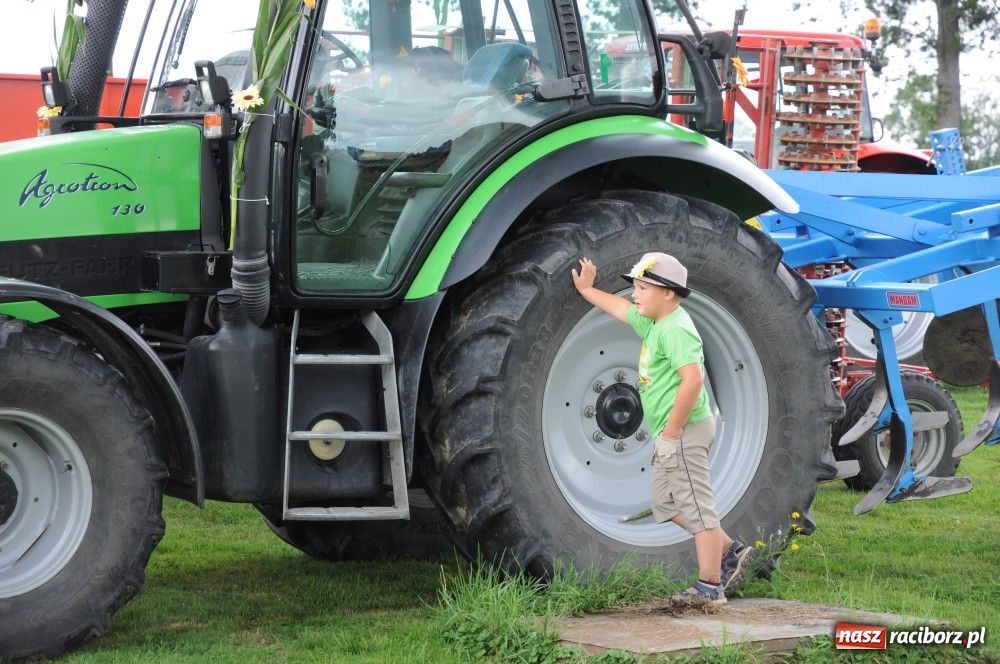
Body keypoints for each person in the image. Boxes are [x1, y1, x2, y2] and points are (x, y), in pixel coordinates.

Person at [571, 252, 753, 603]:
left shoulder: (677, 330)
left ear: (669, 293)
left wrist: (671, 433)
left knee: (698, 508)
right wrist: (587, 290)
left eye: (642, 287)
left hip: (685, 432)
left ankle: (710, 586)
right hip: (670, 434)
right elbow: (620, 309)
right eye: (635, 287)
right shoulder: (653, 322)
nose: (634, 295)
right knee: (665, 505)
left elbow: (692, 381)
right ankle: (730, 550)